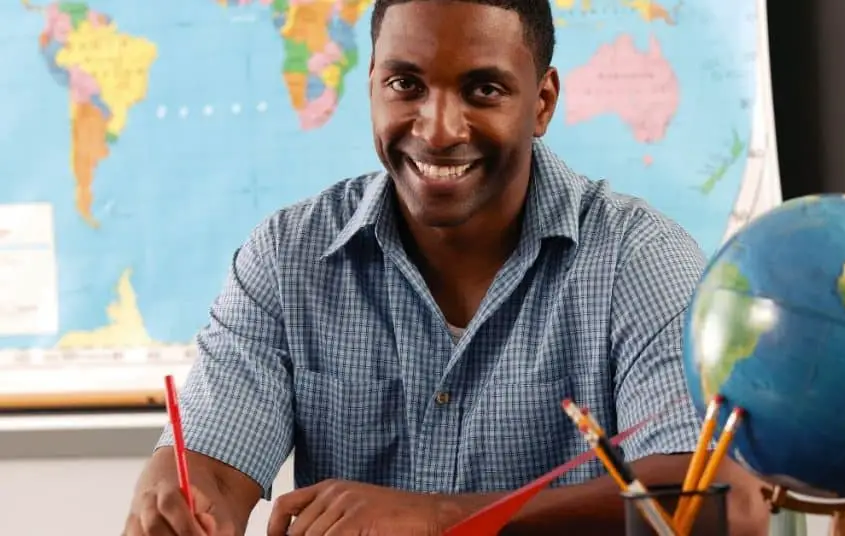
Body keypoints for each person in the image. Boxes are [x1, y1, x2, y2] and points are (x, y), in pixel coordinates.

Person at [122, 0, 771, 534]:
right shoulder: (287, 256)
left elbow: (716, 504)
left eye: (482, 89)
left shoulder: (640, 257)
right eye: (406, 84)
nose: (436, 129)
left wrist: (441, 520)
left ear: (542, 103)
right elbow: (206, 471)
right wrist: (178, 505)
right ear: (372, 82)